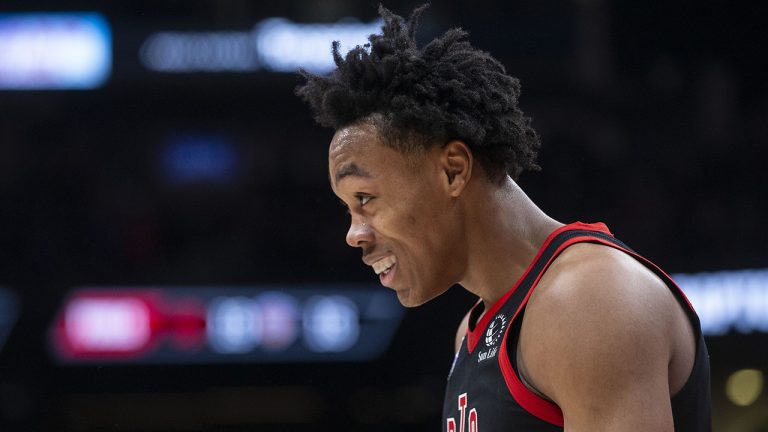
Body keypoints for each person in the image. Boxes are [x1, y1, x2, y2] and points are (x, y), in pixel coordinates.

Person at [297, 5, 711, 431]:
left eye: (365, 198)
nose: (354, 234)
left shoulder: (588, 300)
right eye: (348, 208)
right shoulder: (474, 331)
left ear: (453, 170)